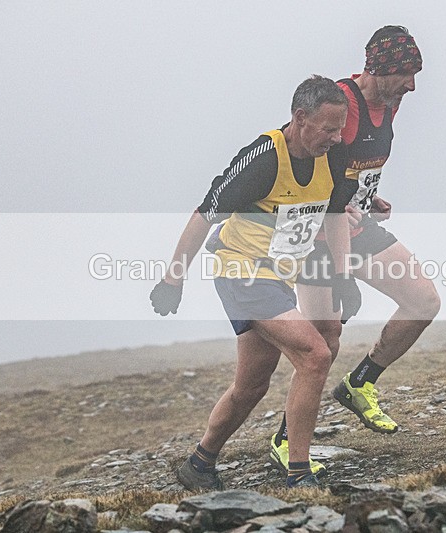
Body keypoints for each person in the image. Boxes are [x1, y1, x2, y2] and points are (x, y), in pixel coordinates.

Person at [150, 75, 360, 489]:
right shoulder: (264, 157)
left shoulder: (333, 157)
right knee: (316, 355)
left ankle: (199, 463)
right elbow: (205, 212)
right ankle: (299, 473)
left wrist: (343, 275)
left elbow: (335, 214)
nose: (337, 137)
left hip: (279, 277)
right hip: (241, 271)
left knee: (251, 386)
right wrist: (173, 279)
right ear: (300, 118)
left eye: (340, 128)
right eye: (329, 128)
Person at [268, 26, 441, 476]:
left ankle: (360, 382)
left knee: (423, 300)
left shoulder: (393, 103)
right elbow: (303, 155)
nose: (413, 85)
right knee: (322, 342)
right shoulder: (341, 104)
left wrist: (367, 197)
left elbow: (354, 168)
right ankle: (286, 441)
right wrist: (331, 208)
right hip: (316, 238)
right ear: (379, 68)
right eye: (406, 73)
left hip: (358, 228)